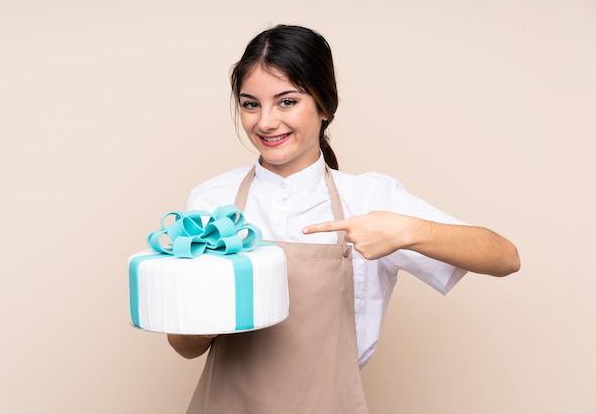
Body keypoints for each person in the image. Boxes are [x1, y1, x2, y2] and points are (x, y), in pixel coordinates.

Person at [167, 24, 520, 413]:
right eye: (251, 104)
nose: (265, 121)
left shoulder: (369, 197)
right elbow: (183, 346)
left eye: (287, 101)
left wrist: (405, 230)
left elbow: (504, 257)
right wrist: (209, 309)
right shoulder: (210, 201)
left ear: (324, 105)